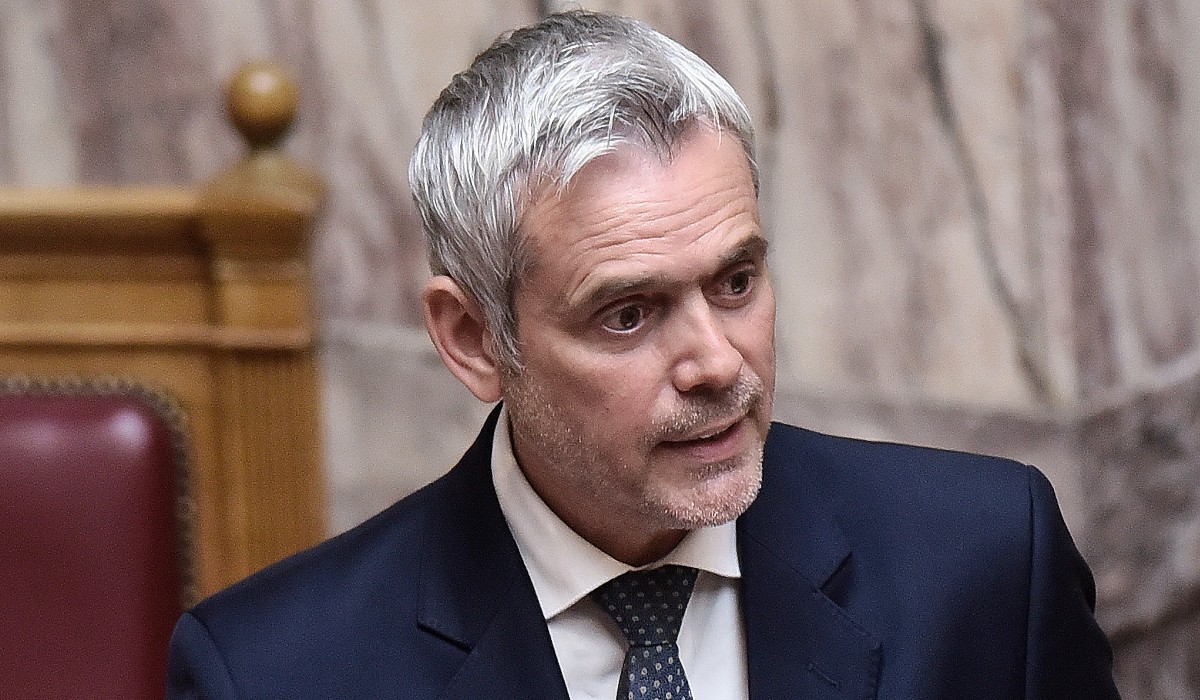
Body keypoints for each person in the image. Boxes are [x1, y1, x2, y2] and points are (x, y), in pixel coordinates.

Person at [167, 10, 1120, 699]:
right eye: (628, 314)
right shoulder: (277, 671)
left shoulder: (988, 562)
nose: (717, 364)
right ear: (474, 340)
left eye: (736, 282)